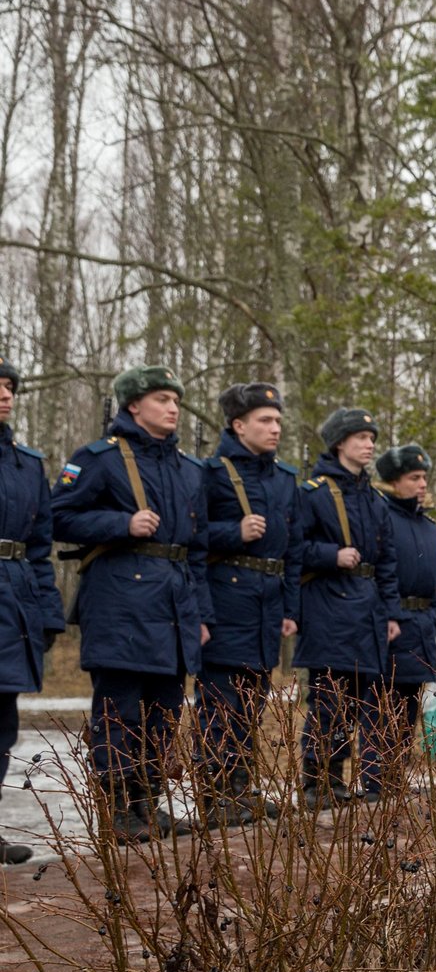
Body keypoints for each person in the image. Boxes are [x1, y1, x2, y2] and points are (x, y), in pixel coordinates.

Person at [50, 366, 210, 843]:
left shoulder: (189, 469)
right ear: (133, 405)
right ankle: (118, 811)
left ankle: (147, 804)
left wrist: (201, 614)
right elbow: (59, 516)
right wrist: (120, 524)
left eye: (176, 399)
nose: (173, 407)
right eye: (162, 398)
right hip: (119, 599)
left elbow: (196, 550)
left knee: (165, 709)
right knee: (119, 710)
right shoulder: (98, 458)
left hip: (175, 603)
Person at [195, 382, 300, 827]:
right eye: (265, 420)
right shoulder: (210, 473)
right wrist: (231, 533)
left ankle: (239, 789)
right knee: (220, 703)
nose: (275, 428)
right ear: (239, 425)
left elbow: (291, 550)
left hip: (268, 603)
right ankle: (216, 795)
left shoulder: (285, 479)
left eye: (277, 420)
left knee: (252, 702)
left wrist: (291, 608)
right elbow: (191, 540)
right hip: (225, 598)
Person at [294, 407, 403, 808]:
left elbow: (387, 561)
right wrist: (330, 555)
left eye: (372, 437)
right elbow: (293, 548)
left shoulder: (374, 499)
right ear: (340, 442)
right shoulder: (314, 493)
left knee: (356, 700)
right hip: (327, 606)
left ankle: (336, 777)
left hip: (369, 610)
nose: (369, 444)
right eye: (361, 437)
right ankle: (316, 780)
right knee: (328, 697)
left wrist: (391, 613)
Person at [0, 359, 64, 863]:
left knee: (2, 725)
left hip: (15, 595)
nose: (5, 395)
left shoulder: (26, 463)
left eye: (9, 388)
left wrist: (47, 613)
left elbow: (39, 546)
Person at [377, 444, 436, 787]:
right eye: (413, 477)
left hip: (421, 626)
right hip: (393, 624)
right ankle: (378, 780)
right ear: (394, 481)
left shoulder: (429, 526)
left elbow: (432, 584)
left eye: (424, 477)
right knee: (382, 709)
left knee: (408, 710)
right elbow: (382, 575)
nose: (422, 484)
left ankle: (395, 776)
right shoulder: (383, 517)